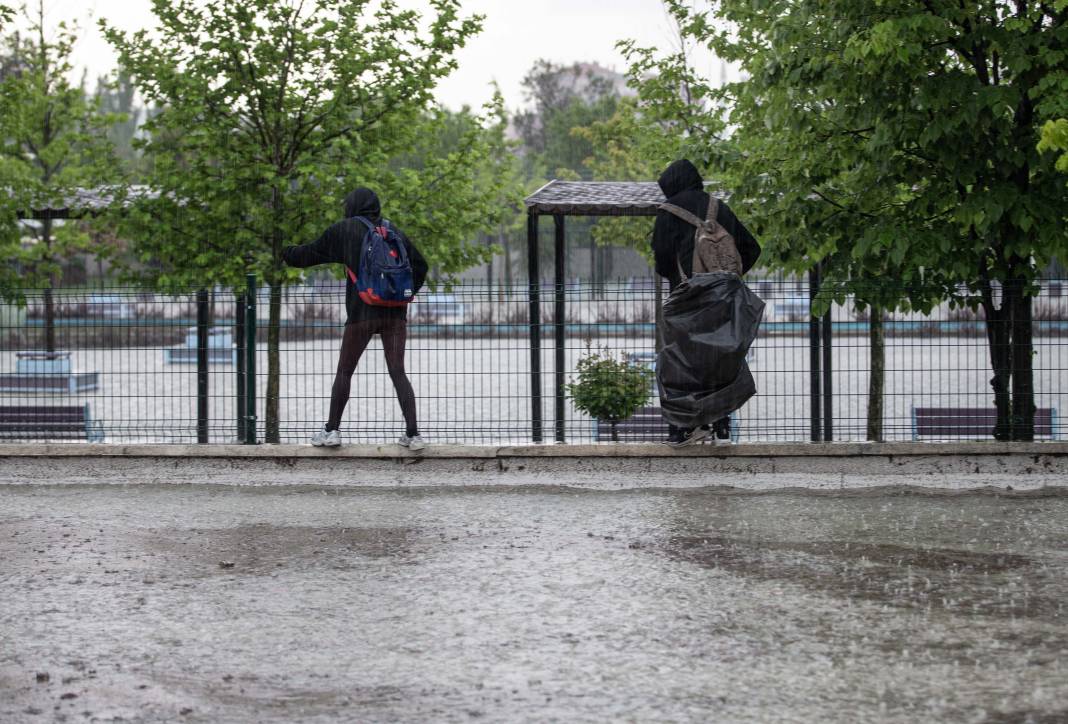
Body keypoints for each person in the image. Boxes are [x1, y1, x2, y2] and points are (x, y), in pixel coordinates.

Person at [281, 187, 429, 449]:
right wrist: (399, 294)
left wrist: (283, 250)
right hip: (395, 314)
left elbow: (308, 254)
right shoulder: (391, 230)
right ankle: (413, 434)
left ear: (352, 206)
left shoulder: (346, 230)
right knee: (398, 371)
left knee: (345, 371)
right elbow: (421, 265)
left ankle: (332, 431)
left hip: (362, 312)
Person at [652, 159, 762, 446]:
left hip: (687, 301)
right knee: (717, 359)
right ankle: (721, 427)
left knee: (679, 361)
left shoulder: (668, 212)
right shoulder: (718, 208)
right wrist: (726, 280)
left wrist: (681, 278)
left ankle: (683, 428)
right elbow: (752, 248)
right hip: (722, 300)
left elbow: (662, 261)